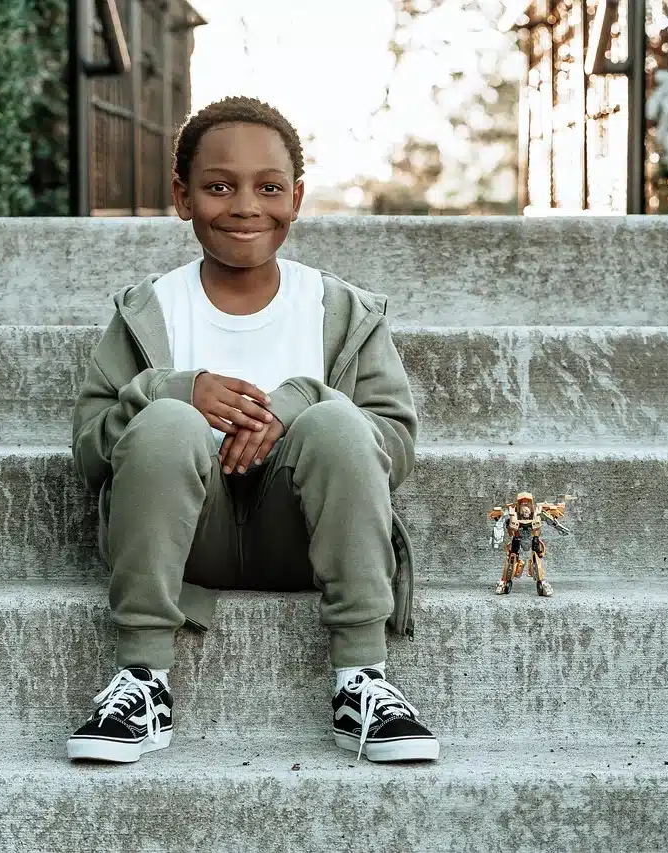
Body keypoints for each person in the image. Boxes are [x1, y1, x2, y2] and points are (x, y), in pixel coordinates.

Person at [67, 95, 437, 765]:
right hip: (186, 545)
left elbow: (395, 444)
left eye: (268, 187)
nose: (244, 206)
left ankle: (362, 678)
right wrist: (170, 390)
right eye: (218, 186)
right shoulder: (151, 310)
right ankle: (143, 680)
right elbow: (91, 453)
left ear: (296, 198)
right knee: (167, 420)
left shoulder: (340, 309)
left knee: (336, 422)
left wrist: (303, 401)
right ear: (181, 196)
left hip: (304, 538)